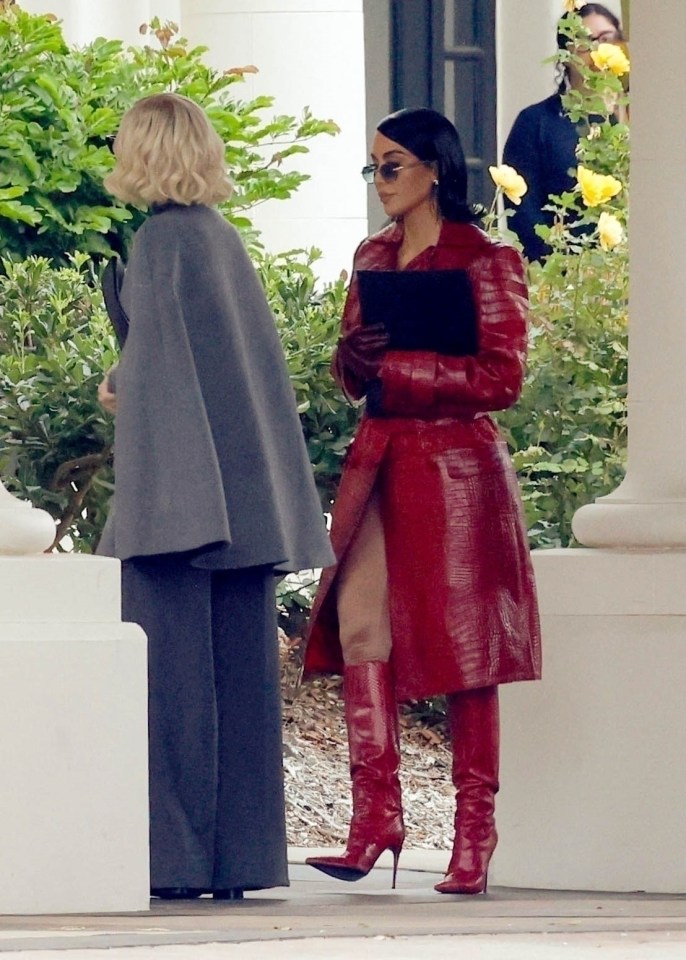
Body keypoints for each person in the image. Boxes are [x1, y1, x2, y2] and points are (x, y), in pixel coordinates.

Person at [97, 92, 334, 901]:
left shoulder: (161, 243)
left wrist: (120, 382)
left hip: (179, 513)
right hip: (243, 506)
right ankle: (242, 860)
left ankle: (176, 860)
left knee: (170, 691)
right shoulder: (222, 242)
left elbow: (161, 381)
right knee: (239, 689)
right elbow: (230, 377)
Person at [302, 107, 541, 895]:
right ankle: (376, 819)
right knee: (362, 627)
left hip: (458, 469)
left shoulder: (486, 259)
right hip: (381, 459)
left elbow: (502, 379)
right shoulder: (372, 255)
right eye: (371, 166)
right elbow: (352, 375)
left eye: (392, 164)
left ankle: (475, 835)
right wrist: (355, 357)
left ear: (436, 167)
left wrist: (403, 371)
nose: (380, 180)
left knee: (468, 653)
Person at [503, 3, 624, 261]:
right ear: (568, 52)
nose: (598, 50)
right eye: (586, 41)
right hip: (567, 277)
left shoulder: (630, 119)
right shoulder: (536, 123)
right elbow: (524, 214)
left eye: (607, 38)